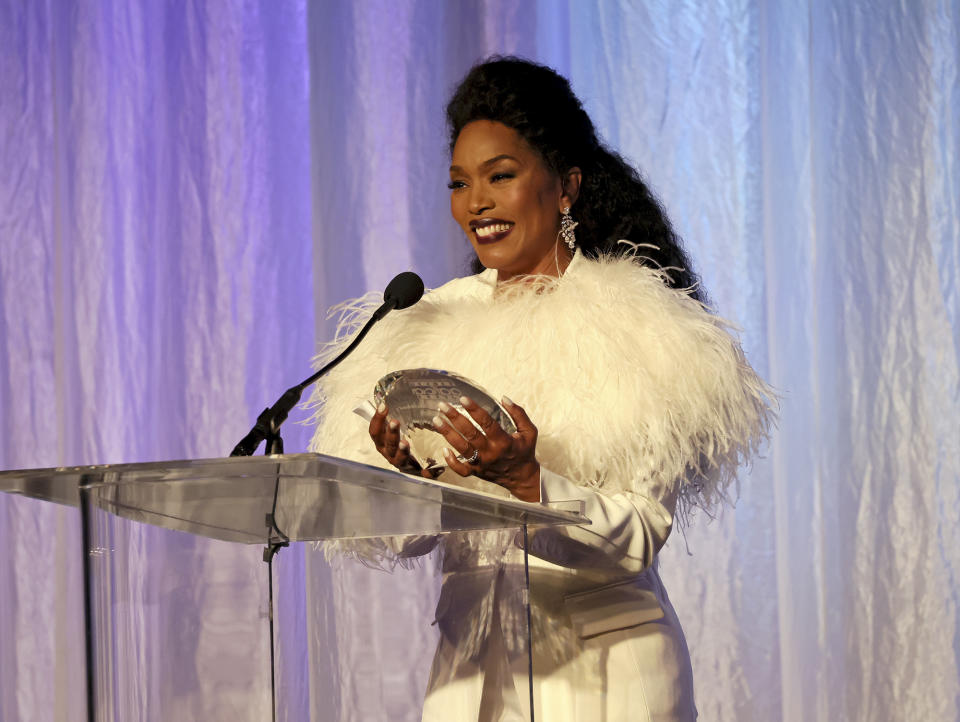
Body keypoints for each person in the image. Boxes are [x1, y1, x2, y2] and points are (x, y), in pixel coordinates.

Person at [309, 57, 774, 722]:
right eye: (460, 183)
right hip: (472, 684)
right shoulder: (430, 324)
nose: (477, 202)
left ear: (564, 186)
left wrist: (529, 480)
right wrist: (408, 479)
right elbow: (402, 542)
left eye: (501, 176)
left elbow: (639, 534)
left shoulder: (641, 329)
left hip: (606, 684)